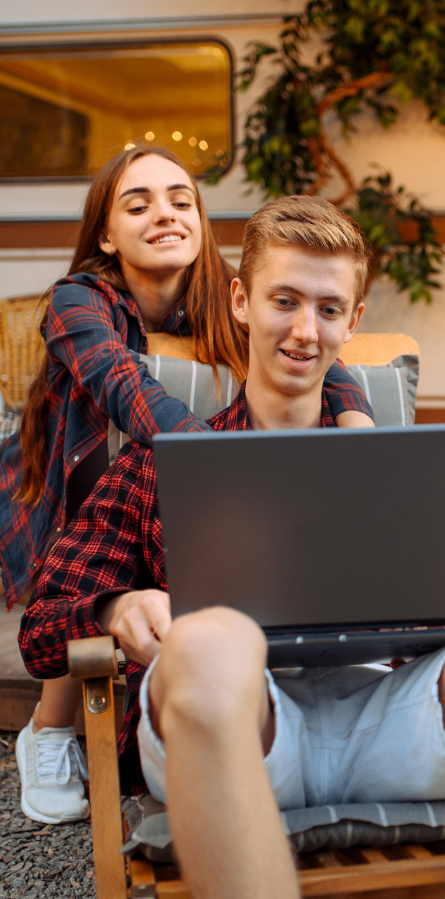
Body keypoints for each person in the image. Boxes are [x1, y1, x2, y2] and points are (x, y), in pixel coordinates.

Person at [20, 195, 445, 899]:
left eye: (327, 309)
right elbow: (44, 626)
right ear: (242, 301)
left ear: (351, 319)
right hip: (244, 732)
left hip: (391, 724)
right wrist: (120, 609)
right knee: (212, 638)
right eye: (285, 300)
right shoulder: (162, 465)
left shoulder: (394, 470)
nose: (304, 329)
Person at [2, 146, 374, 826]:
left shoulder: (224, 295)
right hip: (66, 473)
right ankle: (50, 727)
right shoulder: (78, 299)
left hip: (170, 475)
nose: (164, 213)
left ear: (201, 220)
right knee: (96, 527)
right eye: (137, 203)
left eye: (180, 199)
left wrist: (354, 417)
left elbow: (306, 342)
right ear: (107, 235)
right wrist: (230, 470)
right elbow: (123, 388)